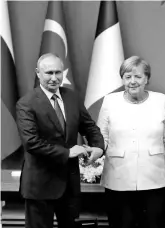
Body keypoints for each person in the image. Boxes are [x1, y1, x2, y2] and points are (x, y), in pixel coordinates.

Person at [16, 53, 105, 228]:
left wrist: (99, 148)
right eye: (49, 73)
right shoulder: (26, 103)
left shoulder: (71, 96)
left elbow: (89, 127)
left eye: (58, 72)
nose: (54, 78)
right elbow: (31, 143)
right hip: (40, 186)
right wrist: (68, 152)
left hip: (69, 186)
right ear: (38, 73)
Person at [96, 56, 165, 228]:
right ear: (122, 79)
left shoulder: (160, 100)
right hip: (118, 178)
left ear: (146, 78)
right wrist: (93, 154)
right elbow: (101, 137)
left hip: (155, 178)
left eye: (138, 76)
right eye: (127, 76)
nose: (132, 81)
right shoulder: (110, 101)